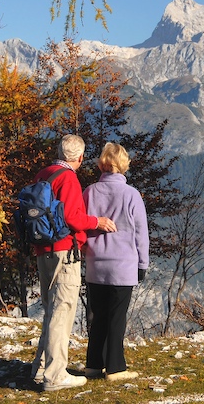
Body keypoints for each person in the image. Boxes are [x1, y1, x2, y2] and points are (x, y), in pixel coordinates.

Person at [30, 134, 117, 392]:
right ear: (79, 158)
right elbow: (71, 216)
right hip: (63, 250)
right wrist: (96, 222)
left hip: (42, 248)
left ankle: (41, 369)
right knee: (62, 309)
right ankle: (56, 374)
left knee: (50, 309)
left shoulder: (43, 173)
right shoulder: (68, 178)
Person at [82, 142, 150, 382]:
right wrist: (143, 264)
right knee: (116, 317)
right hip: (123, 264)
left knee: (97, 315)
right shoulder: (131, 195)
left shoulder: (89, 192)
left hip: (95, 262)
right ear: (123, 165)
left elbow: (82, 222)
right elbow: (141, 233)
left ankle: (93, 365)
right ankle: (115, 368)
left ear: (102, 163)